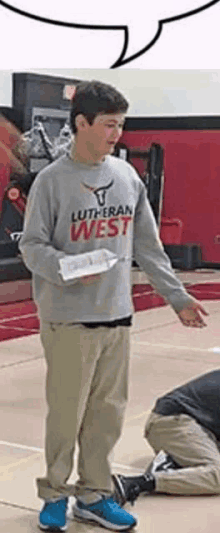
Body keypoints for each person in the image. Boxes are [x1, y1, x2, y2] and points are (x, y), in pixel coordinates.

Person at [19, 80, 208, 532]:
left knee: (106, 418)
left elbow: (149, 244)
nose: (116, 134)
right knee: (66, 418)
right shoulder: (51, 182)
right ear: (80, 123)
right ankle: (54, 494)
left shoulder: (127, 177)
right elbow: (31, 246)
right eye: (108, 125)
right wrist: (67, 266)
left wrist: (176, 296)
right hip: (68, 321)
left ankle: (94, 495)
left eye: (120, 125)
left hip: (117, 318)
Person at [112, 369, 220, 506]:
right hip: (174, 423)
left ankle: (173, 465)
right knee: (217, 475)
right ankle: (138, 483)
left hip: (187, 424)